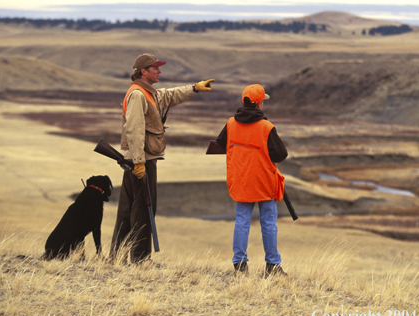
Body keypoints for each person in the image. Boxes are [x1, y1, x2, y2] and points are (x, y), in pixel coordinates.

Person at [111, 53, 215, 262]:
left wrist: (194, 88)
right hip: (142, 161)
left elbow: (168, 96)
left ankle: (118, 256)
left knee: (128, 209)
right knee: (143, 209)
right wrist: (139, 162)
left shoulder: (147, 93)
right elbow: (134, 130)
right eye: (155, 68)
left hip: (138, 159)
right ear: (144, 71)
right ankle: (139, 258)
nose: (160, 71)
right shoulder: (139, 95)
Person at [214, 84, 288, 276]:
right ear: (259, 104)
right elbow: (281, 154)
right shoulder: (266, 127)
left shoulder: (231, 123)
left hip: (241, 180)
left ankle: (239, 264)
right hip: (264, 182)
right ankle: (272, 265)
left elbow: (221, 143)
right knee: (269, 223)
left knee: (242, 221)